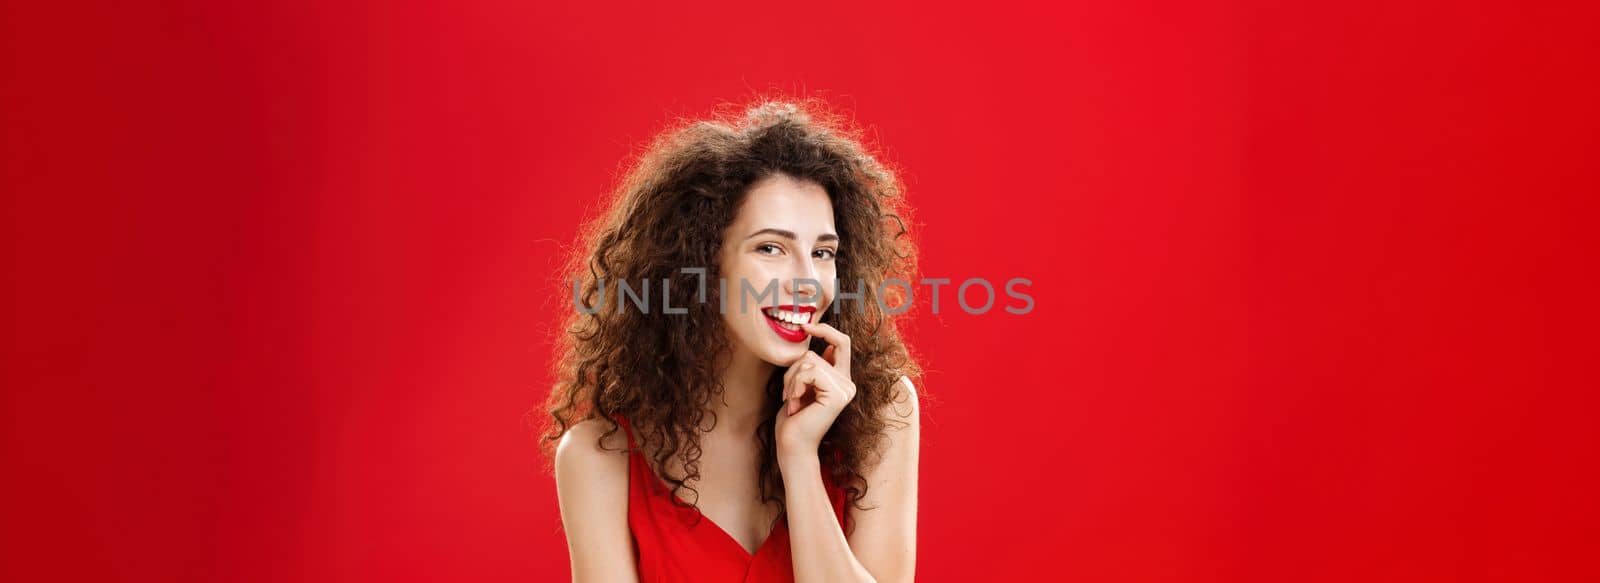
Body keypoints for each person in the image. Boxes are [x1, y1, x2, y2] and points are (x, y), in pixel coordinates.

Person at [543, 99, 922, 583]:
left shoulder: (882, 412)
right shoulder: (601, 457)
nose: (807, 281)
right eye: (771, 248)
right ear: (699, 265)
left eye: (823, 252)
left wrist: (800, 460)